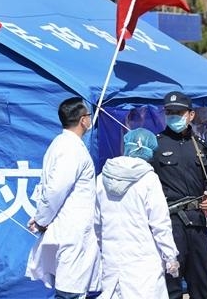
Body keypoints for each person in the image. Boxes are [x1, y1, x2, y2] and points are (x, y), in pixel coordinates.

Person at [26, 97, 101, 299]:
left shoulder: (62, 144)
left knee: (71, 287)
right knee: (71, 290)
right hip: (71, 228)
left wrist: (42, 218)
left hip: (69, 227)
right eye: (88, 115)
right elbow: (55, 190)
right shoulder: (71, 149)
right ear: (83, 120)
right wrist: (41, 220)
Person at [95, 128, 179, 298]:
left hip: (112, 261)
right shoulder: (148, 179)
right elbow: (160, 223)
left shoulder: (102, 178)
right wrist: (170, 256)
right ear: (149, 151)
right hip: (142, 261)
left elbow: (96, 223)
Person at [151, 91, 207, 299]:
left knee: (201, 284)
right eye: (169, 112)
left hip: (197, 222)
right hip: (170, 223)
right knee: (171, 284)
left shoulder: (201, 146)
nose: (174, 117)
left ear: (191, 115)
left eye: (178, 113)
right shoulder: (156, 145)